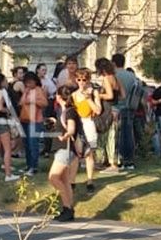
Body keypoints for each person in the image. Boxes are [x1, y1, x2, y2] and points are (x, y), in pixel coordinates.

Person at [48, 86, 82, 222]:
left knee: (53, 178)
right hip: (67, 150)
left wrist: (65, 136)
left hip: (65, 149)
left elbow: (72, 128)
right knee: (64, 180)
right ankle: (68, 209)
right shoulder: (64, 111)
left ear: (59, 96)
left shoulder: (69, 112)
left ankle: (67, 206)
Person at [71, 70, 102, 192]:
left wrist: (89, 99)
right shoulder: (74, 95)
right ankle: (72, 180)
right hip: (78, 124)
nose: (82, 82)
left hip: (89, 122)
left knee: (89, 153)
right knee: (77, 154)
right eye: (79, 80)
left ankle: (90, 180)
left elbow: (98, 110)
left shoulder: (94, 92)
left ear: (88, 80)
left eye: (84, 80)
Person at [112, 54, 141, 171]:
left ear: (113, 63)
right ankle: (129, 160)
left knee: (118, 136)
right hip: (130, 107)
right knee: (129, 134)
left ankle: (120, 158)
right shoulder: (132, 76)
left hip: (117, 107)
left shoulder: (114, 76)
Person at [94, 58, 123, 172]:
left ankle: (113, 164)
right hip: (116, 108)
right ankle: (109, 161)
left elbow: (110, 95)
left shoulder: (106, 79)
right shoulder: (116, 78)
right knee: (113, 135)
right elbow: (123, 95)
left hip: (108, 109)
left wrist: (98, 95)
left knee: (109, 136)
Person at [18, 71, 48, 176]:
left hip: (35, 120)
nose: (28, 84)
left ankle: (34, 166)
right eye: (26, 82)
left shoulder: (38, 90)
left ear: (35, 81)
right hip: (25, 119)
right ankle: (28, 165)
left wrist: (34, 101)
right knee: (26, 144)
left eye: (30, 82)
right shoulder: (27, 90)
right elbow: (21, 102)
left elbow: (45, 103)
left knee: (33, 144)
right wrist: (25, 95)